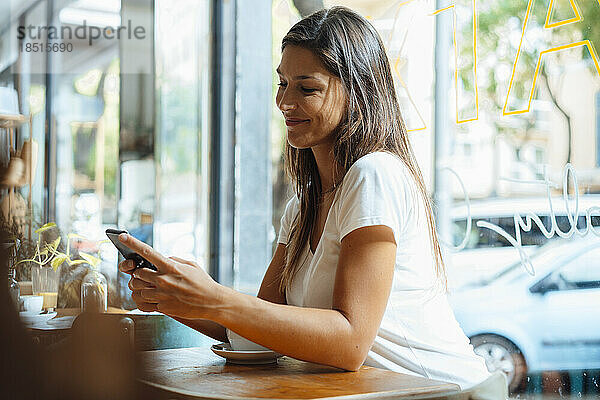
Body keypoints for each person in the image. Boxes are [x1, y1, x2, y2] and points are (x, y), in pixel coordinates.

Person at [119, 6, 493, 390]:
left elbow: (350, 343)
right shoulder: (302, 206)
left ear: (357, 91)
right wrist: (178, 295)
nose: (284, 102)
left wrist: (215, 297)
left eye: (307, 88)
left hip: (447, 393)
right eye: (282, 84)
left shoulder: (375, 174)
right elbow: (261, 326)